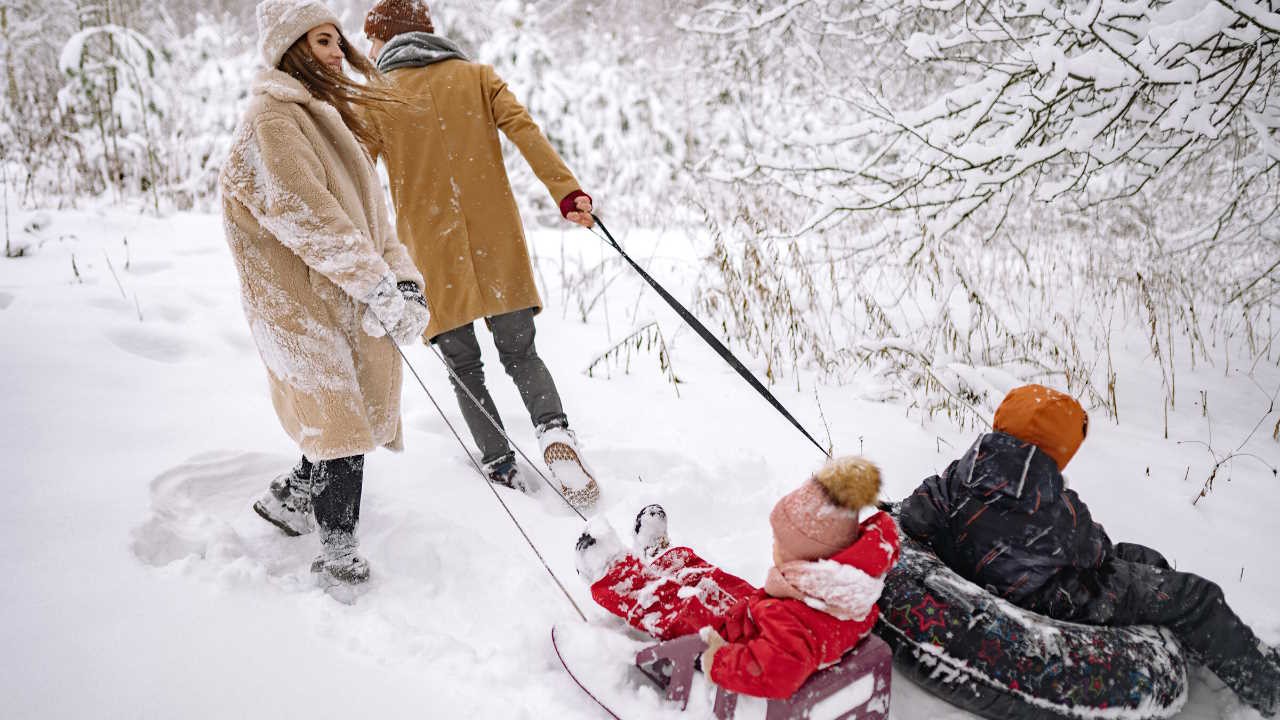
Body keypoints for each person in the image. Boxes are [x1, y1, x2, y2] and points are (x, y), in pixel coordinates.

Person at [899, 384, 1280, 716]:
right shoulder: (1053, 506)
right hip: (1058, 597)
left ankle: (1178, 640)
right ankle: (1268, 686)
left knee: (1137, 557)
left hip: (994, 576)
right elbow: (1096, 551)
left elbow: (916, 513)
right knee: (1193, 595)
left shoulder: (958, 474)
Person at [219, 0, 431, 589]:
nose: (337, 52)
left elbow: (375, 224)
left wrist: (404, 284)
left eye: (337, 40)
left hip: (339, 293)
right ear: (291, 49)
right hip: (294, 305)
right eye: (321, 42)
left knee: (344, 414)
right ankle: (339, 559)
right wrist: (375, 285)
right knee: (341, 426)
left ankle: (289, 500)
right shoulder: (272, 121)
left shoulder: (327, 118)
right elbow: (309, 218)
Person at [360, 0, 599, 506]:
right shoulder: (477, 77)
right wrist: (567, 193)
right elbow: (526, 134)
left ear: (388, 39)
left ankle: (501, 464)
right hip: (497, 246)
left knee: (464, 369)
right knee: (521, 352)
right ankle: (554, 431)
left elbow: (357, 176)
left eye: (372, 40)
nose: (368, 50)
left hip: (432, 256)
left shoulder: (380, 98)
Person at [573, 457, 901, 699]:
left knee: (674, 607)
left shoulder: (800, 619)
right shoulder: (843, 587)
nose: (775, 548)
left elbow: (775, 672)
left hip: (736, 643)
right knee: (712, 580)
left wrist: (719, 660)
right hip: (759, 618)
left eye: (781, 546)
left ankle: (614, 575)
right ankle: (661, 561)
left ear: (811, 558)